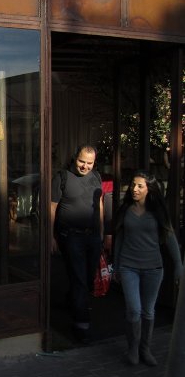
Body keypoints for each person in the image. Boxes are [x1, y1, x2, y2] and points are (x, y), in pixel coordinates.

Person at [114, 170, 183, 366]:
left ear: (149, 189)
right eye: (133, 185)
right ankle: (133, 349)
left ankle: (145, 349)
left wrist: (178, 265)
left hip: (153, 268)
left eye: (139, 186)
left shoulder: (158, 212)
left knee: (148, 311)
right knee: (134, 310)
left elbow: (170, 238)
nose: (134, 189)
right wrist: (116, 266)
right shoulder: (125, 209)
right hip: (128, 267)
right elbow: (119, 239)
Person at [51, 144, 106, 344]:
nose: (85, 166)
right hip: (71, 236)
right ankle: (81, 325)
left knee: (88, 278)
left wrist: (102, 232)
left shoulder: (96, 177)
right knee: (80, 279)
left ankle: (71, 300)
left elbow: (99, 205)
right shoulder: (62, 177)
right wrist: (51, 235)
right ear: (75, 158)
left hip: (93, 236)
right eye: (82, 161)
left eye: (89, 163)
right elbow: (52, 207)